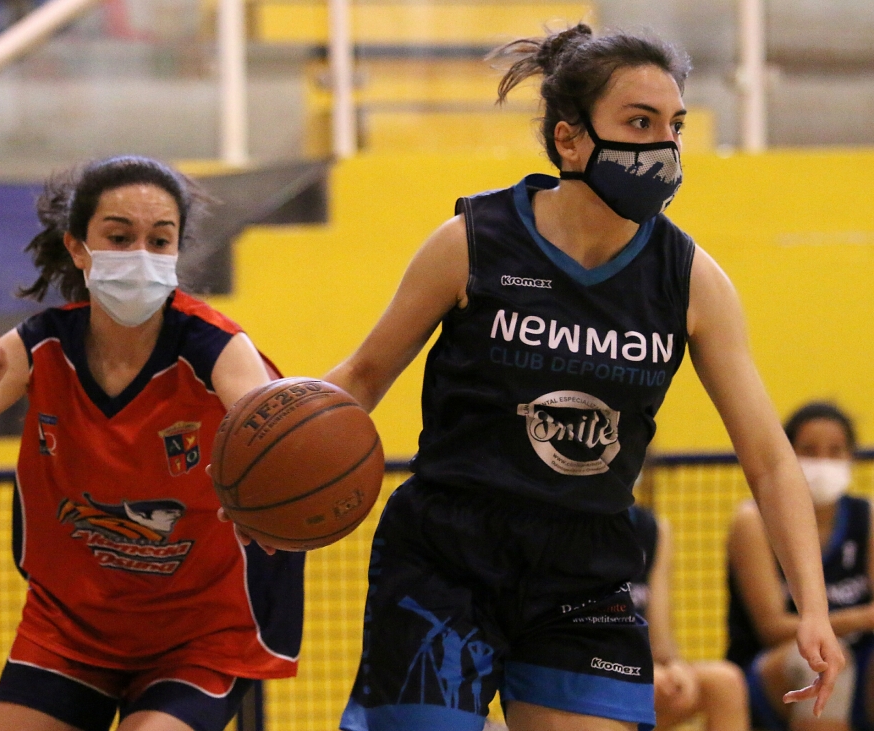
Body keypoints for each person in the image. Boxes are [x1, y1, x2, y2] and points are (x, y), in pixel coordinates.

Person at [300, 22, 844, 731]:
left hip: (583, 565)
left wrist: (813, 605)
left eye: (675, 126)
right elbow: (362, 376)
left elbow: (770, 459)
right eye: (640, 123)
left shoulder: (691, 281)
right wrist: (272, 472)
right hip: (447, 555)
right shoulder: (473, 241)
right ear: (570, 139)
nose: (665, 146)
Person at [0, 156, 303, 731]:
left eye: (159, 241)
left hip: (199, 630)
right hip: (73, 623)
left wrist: (278, 487)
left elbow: (274, 447)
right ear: (78, 247)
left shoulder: (217, 347)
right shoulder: (40, 345)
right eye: (119, 237)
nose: (140, 254)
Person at [728, 402, 872, 731]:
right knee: (820, 662)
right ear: (787, 455)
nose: (823, 462)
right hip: (770, 664)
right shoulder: (753, 522)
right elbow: (771, 628)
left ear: (851, 456)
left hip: (859, 654)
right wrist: (861, 618)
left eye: (835, 451)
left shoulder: (866, 516)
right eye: (809, 450)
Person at [629, 463, 750, 731]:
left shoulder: (653, 529)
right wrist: (632, 669)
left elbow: (660, 641)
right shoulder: (565, 526)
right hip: (578, 671)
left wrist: (673, 665)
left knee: (724, 681)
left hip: (635, 672)